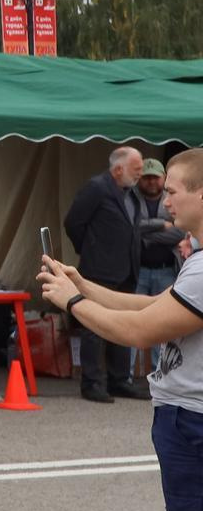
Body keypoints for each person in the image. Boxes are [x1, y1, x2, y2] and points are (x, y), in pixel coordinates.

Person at [42, 148, 203, 511]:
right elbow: (150, 305)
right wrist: (86, 284)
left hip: (195, 422)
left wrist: (74, 303)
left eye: (178, 189)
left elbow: (140, 329)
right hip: (183, 418)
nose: (166, 197)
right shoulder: (197, 261)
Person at [65, 145, 151, 401]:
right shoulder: (97, 188)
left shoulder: (131, 193)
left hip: (126, 269)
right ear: (117, 169)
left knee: (123, 323)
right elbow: (73, 222)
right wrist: (89, 249)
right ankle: (91, 382)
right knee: (93, 325)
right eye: (136, 170)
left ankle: (119, 379)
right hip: (98, 269)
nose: (140, 175)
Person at [136, 158, 193, 301]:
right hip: (138, 270)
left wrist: (144, 234)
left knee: (164, 312)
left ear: (164, 177)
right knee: (134, 312)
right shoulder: (130, 199)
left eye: (155, 177)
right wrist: (161, 224)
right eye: (146, 177)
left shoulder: (174, 199)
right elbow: (128, 227)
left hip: (167, 269)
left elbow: (180, 232)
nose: (151, 181)